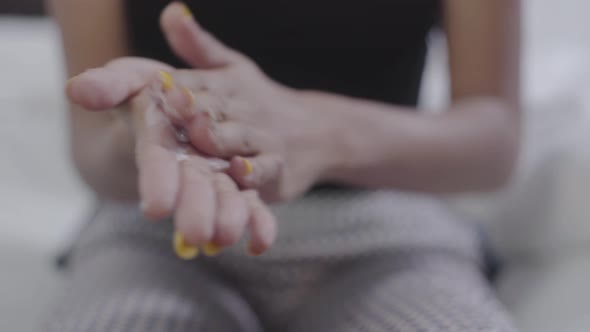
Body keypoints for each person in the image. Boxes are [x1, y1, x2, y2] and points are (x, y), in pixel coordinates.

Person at [44, 1, 521, 331]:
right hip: (159, 237)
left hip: (389, 228)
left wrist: (321, 131)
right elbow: (91, 147)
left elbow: (494, 141)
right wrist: (142, 137)